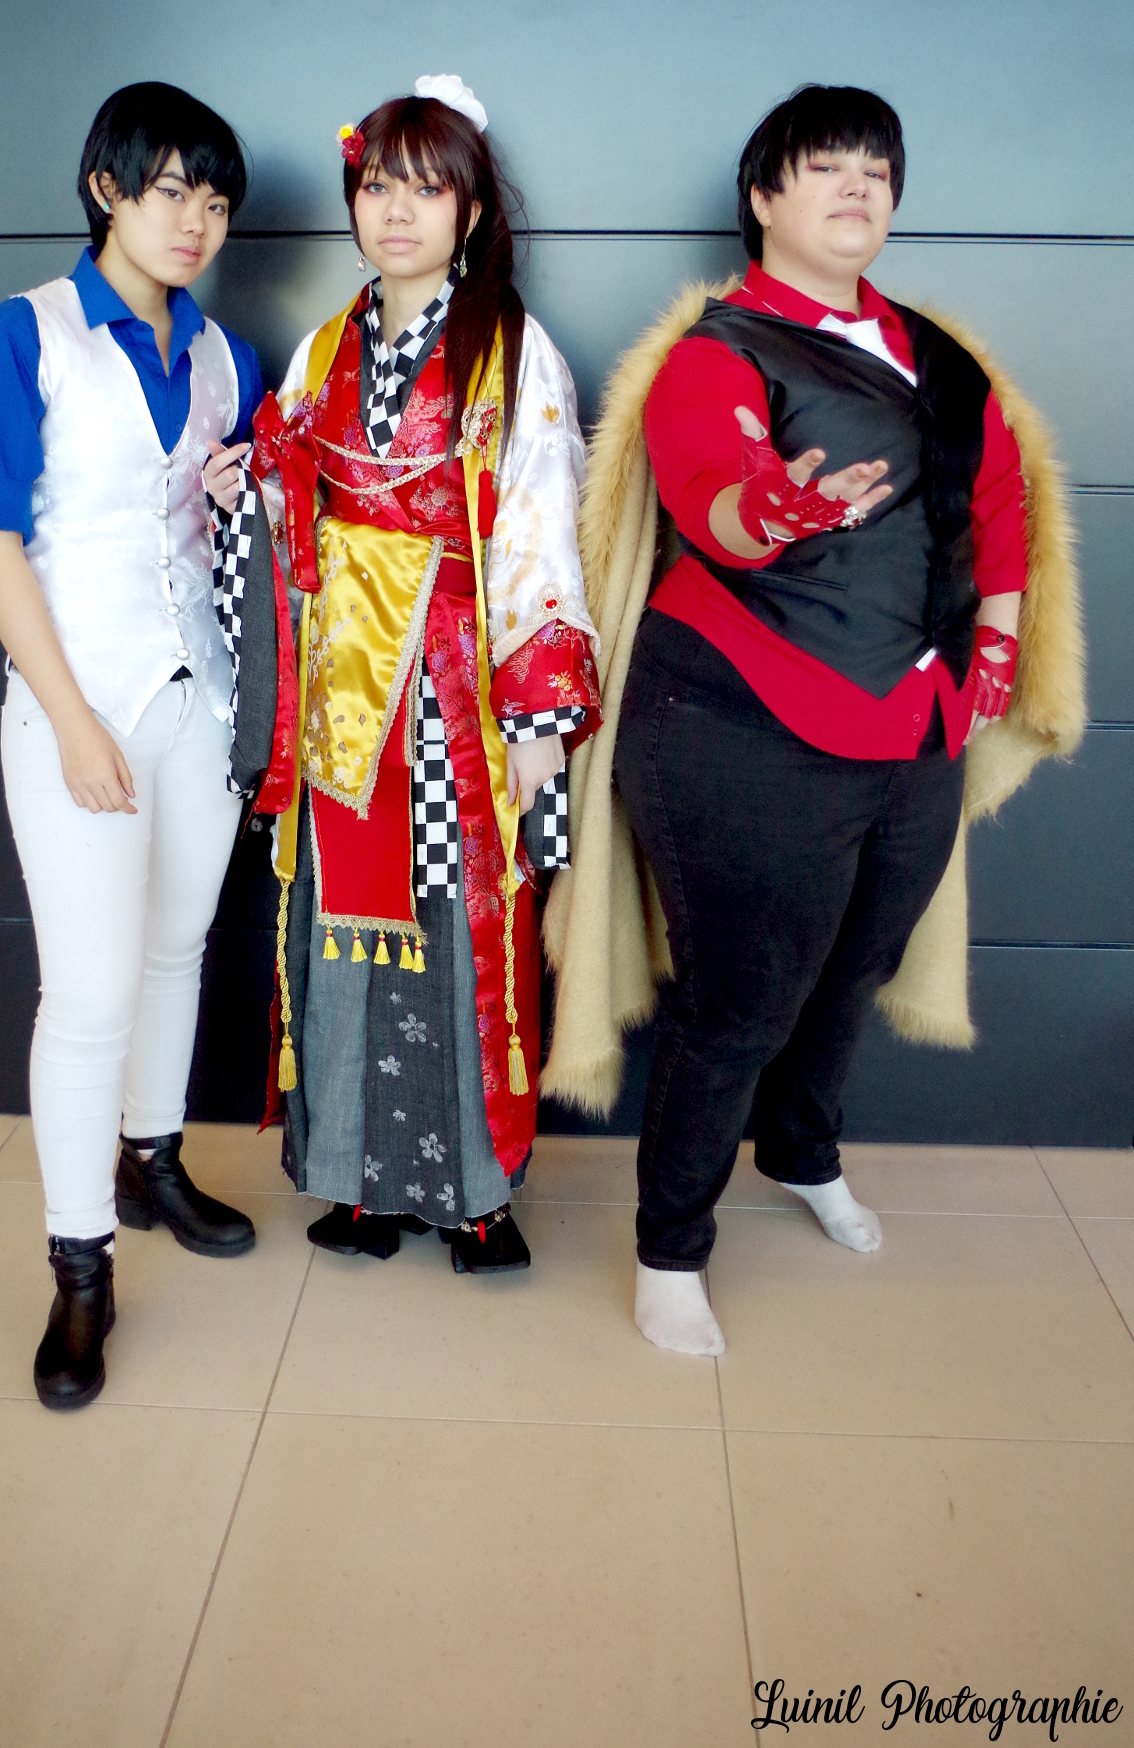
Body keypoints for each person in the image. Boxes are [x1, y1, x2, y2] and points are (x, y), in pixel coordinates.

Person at [540, 84, 1084, 1354]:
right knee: (740, 1000)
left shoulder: (942, 355)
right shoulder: (717, 353)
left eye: (876, 171)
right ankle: (671, 1248)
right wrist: (777, 508)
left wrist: (998, 650)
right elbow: (714, 491)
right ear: (763, 197)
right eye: (826, 166)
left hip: (917, 728)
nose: (857, 188)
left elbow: (1000, 504)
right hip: (737, 725)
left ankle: (801, 1149)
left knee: (855, 969)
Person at [242, 75, 600, 1271]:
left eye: (427, 187)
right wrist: (262, 484)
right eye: (378, 186)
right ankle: (357, 1181)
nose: (396, 211)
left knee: (459, 920)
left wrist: (537, 716)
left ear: (472, 209)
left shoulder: (511, 351)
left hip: (455, 692)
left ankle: (475, 1193)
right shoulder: (324, 349)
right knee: (341, 923)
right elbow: (294, 507)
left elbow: (537, 528)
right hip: (345, 689)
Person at [0, 81, 265, 1408]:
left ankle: (153, 1160)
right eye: (172, 189)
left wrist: (240, 490)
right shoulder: (14, 338)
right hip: (76, 705)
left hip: (200, 703)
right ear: (107, 189)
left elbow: (219, 522)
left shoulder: (228, 356)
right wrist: (72, 719)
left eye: (217, 201)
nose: (195, 221)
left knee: (176, 949)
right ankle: (80, 1270)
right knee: (85, 998)